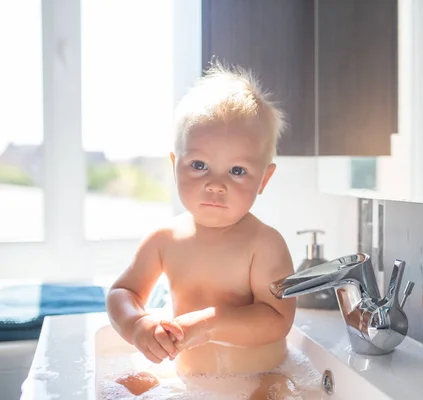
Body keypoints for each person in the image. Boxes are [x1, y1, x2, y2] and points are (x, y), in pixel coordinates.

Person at [105, 62, 300, 399]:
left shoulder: (264, 244)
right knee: (115, 389)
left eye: (237, 170)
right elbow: (123, 293)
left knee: (278, 393)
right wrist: (137, 325)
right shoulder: (164, 240)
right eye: (199, 166)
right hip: (187, 382)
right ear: (174, 165)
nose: (215, 184)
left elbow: (277, 319)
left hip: (260, 379)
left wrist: (211, 325)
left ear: (264, 179)